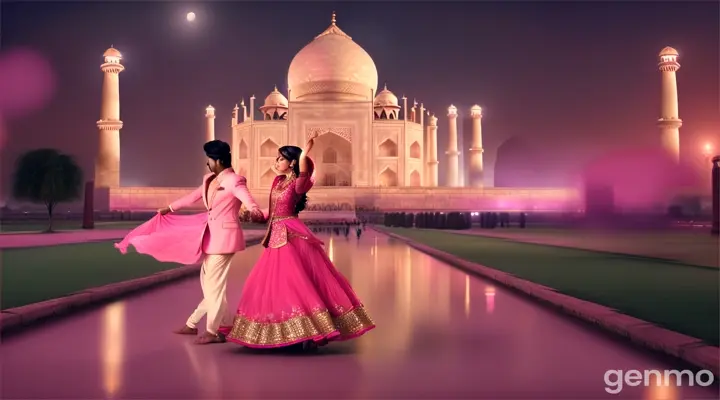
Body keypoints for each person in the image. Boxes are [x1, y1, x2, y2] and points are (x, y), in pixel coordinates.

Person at [225, 133, 375, 350]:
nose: (276, 162)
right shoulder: (277, 182)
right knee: (276, 286)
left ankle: (308, 332)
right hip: (276, 236)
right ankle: (283, 332)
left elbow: (304, 174)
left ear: (292, 162)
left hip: (292, 236)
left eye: (280, 158)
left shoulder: (298, 184)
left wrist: (306, 151)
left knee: (297, 284)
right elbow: (274, 211)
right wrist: (256, 214)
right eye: (277, 158)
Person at [117, 140, 263, 345]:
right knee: (210, 286)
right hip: (210, 238)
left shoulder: (234, 180)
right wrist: (170, 208)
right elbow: (192, 197)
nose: (207, 164)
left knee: (214, 286)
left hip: (225, 238)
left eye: (209, 160)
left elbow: (249, 202)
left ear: (219, 160)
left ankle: (213, 331)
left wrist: (254, 211)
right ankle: (215, 324)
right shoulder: (209, 179)